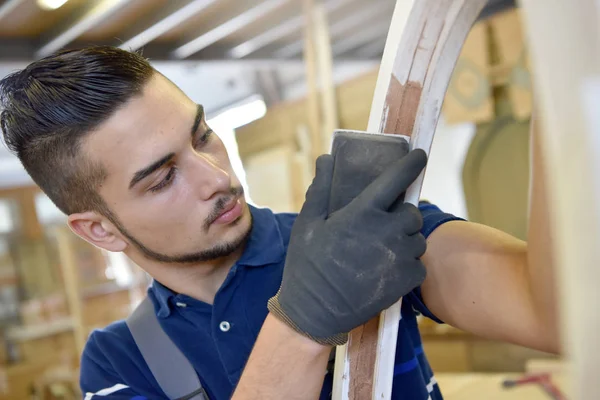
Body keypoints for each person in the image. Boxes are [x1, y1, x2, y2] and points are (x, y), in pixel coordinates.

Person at [0, 46, 559, 400]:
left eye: (201, 135)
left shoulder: (364, 236)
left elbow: (557, 315)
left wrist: (568, 92)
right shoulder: (122, 361)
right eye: (162, 178)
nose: (216, 176)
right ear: (100, 231)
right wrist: (303, 320)